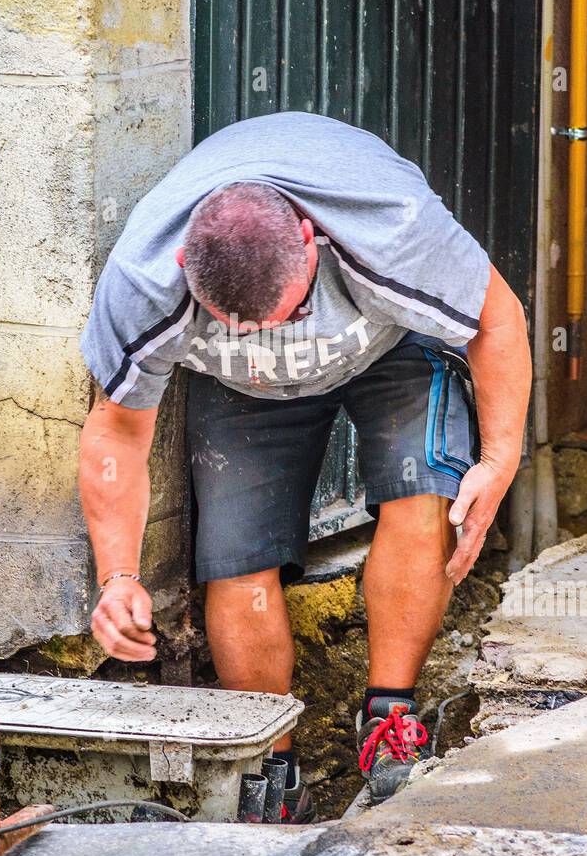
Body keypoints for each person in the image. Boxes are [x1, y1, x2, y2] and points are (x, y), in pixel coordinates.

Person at [79, 112, 531, 819]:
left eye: (284, 316)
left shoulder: (392, 229)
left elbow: (497, 318)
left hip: (389, 345)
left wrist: (499, 459)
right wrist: (119, 576)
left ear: (310, 243)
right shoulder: (142, 279)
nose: (268, 340)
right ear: (183, 271)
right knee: (236, 561)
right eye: (242, 326)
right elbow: (117, 431)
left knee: (425, 500)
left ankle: (391, 722)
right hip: (237, 390)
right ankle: (271, 764)